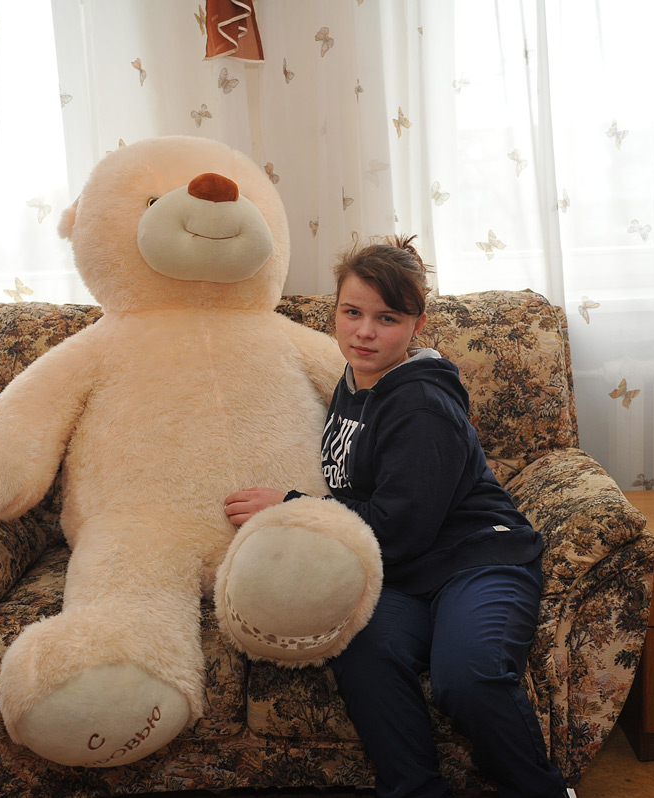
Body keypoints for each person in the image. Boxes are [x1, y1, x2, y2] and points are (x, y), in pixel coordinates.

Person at [224, 235, 571, 798]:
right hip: (405, 572)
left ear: (416, 325)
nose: (364, 331)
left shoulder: (421, 404)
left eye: (386, 318)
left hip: (477, 558)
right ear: (334, 313)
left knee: (469, 677)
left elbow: (397, 528)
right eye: (352, 313)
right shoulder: (353, 381)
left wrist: (291, 506)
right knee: (363, 652)